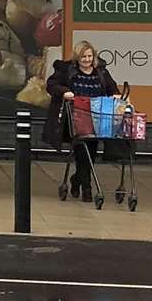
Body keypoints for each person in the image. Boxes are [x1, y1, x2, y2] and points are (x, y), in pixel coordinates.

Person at [44, 40, 119, 203]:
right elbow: (51, 85)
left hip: (96, 119)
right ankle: (87, 188)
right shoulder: (67, 71)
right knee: (81, 150)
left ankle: (77, 179)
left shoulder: (101, 73)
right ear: (77, 57)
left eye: (90, 56)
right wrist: (65, 92)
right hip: (75, 118)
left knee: (90, 153)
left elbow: (113, 89)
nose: (87, 60)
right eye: (83, 56)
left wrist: (115, 96)